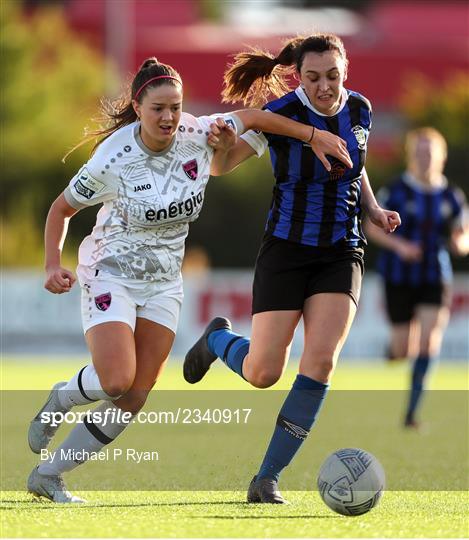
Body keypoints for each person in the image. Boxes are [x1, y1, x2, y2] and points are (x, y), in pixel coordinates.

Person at [26, 57, 353, 503]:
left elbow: (257, 118)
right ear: (138, 107)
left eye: (176, 108)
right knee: (116, 379)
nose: (168, 117)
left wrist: (315, 135)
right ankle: (62, 398)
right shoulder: (113, 158)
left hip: (164, 283)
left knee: (137, 394)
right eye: (158, 108)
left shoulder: (199, 132)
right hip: (112, 273)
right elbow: (61, 209)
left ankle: (50, 475)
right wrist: (51, 265)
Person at [183, 33, 401, 504]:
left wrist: (374, 209)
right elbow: (221, 168)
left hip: (342, 252)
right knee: (263, 373)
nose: (324, 86)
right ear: (297, 76)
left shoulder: (361, 108)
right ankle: (218, 338)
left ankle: (266, 478)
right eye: (313, 77)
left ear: (346, 72)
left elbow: (356, 163)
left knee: (320, 361)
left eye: (333, 76)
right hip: (285, 250)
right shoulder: (282, 113)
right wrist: (221, 145)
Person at [365, 127, 468, 428]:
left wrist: (460, 244)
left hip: (435, 275)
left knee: (428, 344)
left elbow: (464, 236)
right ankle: (394, 351)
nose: (424, 157)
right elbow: (371, 227)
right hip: (398, 276)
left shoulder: (452, 196)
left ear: (442, 157)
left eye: (430, 152)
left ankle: (411, 414)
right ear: (411, 155)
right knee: (402, 350)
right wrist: (400, 246)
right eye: (419, 152)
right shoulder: (396, 190)